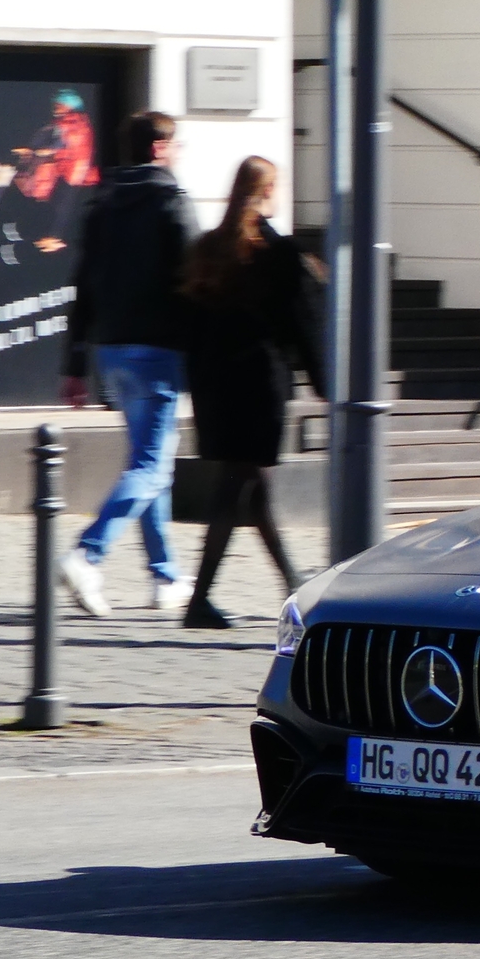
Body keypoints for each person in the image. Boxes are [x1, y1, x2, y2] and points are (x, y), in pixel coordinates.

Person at [56, 112, 196, 618]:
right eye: (175, 143)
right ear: (159, 148)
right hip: (159, 350)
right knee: (151, 465)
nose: (178, 152)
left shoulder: (103, 203)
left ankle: (166, 577)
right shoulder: (170, 200)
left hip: (111, 350)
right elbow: (194, 280)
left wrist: (74, 360)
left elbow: (83, 284)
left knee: (148, 463)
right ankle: (87, 554)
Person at [178, 155, 324, 629]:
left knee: (251, 488)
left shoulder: (208, 247)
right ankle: (199, 600)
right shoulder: (278, 253)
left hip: (215, 384)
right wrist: (326, 382)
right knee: (235, 486)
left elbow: (192, 322)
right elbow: (302, 325)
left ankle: (293, 585)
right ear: (267, 192)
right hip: (258, 383)